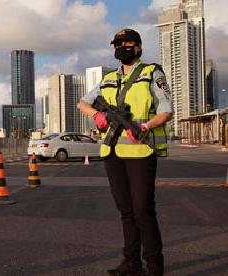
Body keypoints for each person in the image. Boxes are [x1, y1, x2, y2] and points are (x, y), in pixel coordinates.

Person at [78, 29, 173, 276]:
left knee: (143, 210)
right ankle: (132, 264)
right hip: (112, 152)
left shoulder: (152, 73)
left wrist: (145, 126)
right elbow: (83, 102)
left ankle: (154, 268)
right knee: (126, 211)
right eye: (117, 44)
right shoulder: (108, 78)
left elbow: (166, 110)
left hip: (141, 150)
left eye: (126, 43)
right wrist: (97, 115)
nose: (121, 47)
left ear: (139, 47)